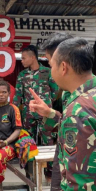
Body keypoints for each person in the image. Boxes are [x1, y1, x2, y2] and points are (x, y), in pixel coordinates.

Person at [29, 37, 96, 191]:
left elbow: (81, 186)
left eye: (51, 65)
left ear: (63, 67)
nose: (51, 72)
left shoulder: (79, 110)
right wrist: (50, 113)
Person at [12, 45, 58, 181]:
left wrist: (46, 103)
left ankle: (49, 176)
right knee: (27, 143)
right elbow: (18, 95)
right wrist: (14, 111)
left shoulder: (48, 72)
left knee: (48, 143)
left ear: (33, 57)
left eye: (24, 58)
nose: (22, 60)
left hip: (45, 114)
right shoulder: (22, 75)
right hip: (28, 114)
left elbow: (55, 91)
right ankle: (30, 177)